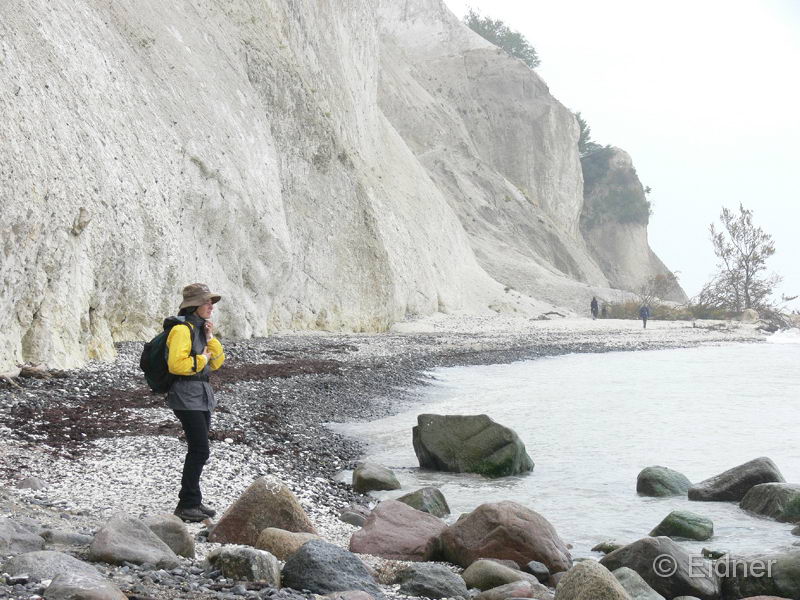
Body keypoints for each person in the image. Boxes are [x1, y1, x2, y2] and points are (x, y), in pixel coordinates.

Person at [167, 283, 226, 522]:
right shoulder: (181, 330)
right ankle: (186, 504)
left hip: (200, 395)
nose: (211, 306)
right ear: (194, 306)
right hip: (185, 395)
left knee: (198, 450)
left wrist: (210, 338)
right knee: (200, 449)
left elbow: (218, 363)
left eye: (211, 302)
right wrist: (202, 359)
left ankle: (193, 500)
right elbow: (176, 365)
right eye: (206, 302)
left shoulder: (200, 329)